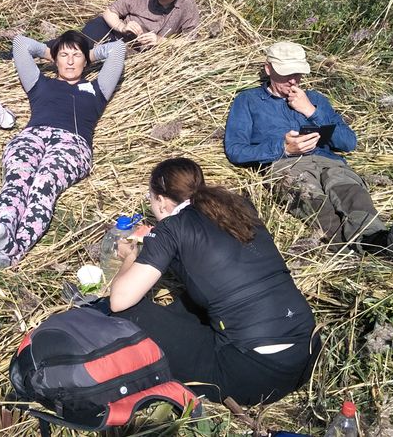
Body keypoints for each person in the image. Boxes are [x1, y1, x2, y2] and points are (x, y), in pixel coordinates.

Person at [108, 157, 319, 406]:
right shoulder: (239, 207)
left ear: (162, 202)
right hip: (307, 353)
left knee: (125, 315)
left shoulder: (172, 228)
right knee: (200, 299)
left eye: (151, 199)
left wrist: (130, 257)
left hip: (255, 375)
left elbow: (119, 301)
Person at [224, 41, 393, 264]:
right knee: (317, 205)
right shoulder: (248, 101)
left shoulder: (315, 100)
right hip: (285, 166)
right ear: (268, 69)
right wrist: (282, 148)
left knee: (352, 195)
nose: (293, 80)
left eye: (298, 73)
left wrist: (311, 111)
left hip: (329, 162)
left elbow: (348, 142)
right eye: (286, 73)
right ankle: (380, 248)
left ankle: (379, 240)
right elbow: (236, 151)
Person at [0, 31, 126, 268]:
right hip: (33, 136)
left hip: (72, 143)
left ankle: (14, 253)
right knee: (17, 179)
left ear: (85, 61)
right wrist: (52, 52)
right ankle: (4, 231)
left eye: (76, 56)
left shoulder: (98, 89)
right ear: (55, 59)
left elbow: (118, 49)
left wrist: (87, 53)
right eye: (64, 55)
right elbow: (20, 43)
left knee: (43, 184)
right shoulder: (39, 83)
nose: (69, 61)